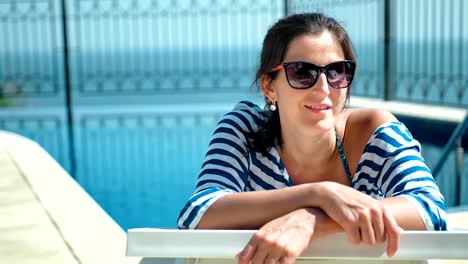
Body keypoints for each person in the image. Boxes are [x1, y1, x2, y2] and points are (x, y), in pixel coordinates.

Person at [177, 13, 447, 264]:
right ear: (269, 86)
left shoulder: (372, 132)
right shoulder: (245, 129)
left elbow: (429, 209)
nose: (323, 88)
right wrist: (322, 194)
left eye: (336, 71)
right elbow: (200, 213)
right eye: (302, 72)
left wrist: (314, 219)